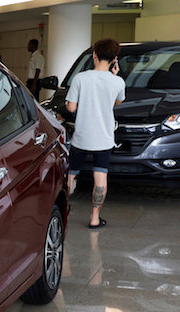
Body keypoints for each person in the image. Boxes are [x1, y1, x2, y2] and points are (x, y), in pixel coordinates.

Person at [65, 38, 125, 229]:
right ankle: (94, 218)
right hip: (104, 139)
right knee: (100, 176)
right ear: (115, 59)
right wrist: (114, 76)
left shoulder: (80, 78)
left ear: (94, 55)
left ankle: (64, 210)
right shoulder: (118, 82)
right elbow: (117, 102)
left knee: (71, 174)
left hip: (82, 137)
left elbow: (71, 108)